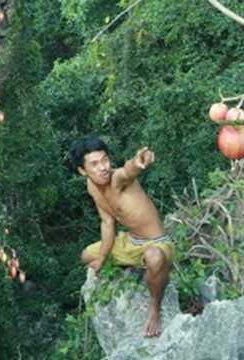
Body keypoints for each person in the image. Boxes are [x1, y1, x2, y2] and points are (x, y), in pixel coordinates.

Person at [71, 135, 173, 338]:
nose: (103, 167)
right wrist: (101, 258)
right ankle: (135, 264)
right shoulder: (92, 187)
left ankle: (154, 307)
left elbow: (128, 170)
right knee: (86, 256)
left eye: (105, 160)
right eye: (95, 164)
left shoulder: (117, 179)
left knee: (154, 257)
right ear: (83, 171)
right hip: (129, 241)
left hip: (157, 244)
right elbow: (107, 223)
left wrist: (138, 161)